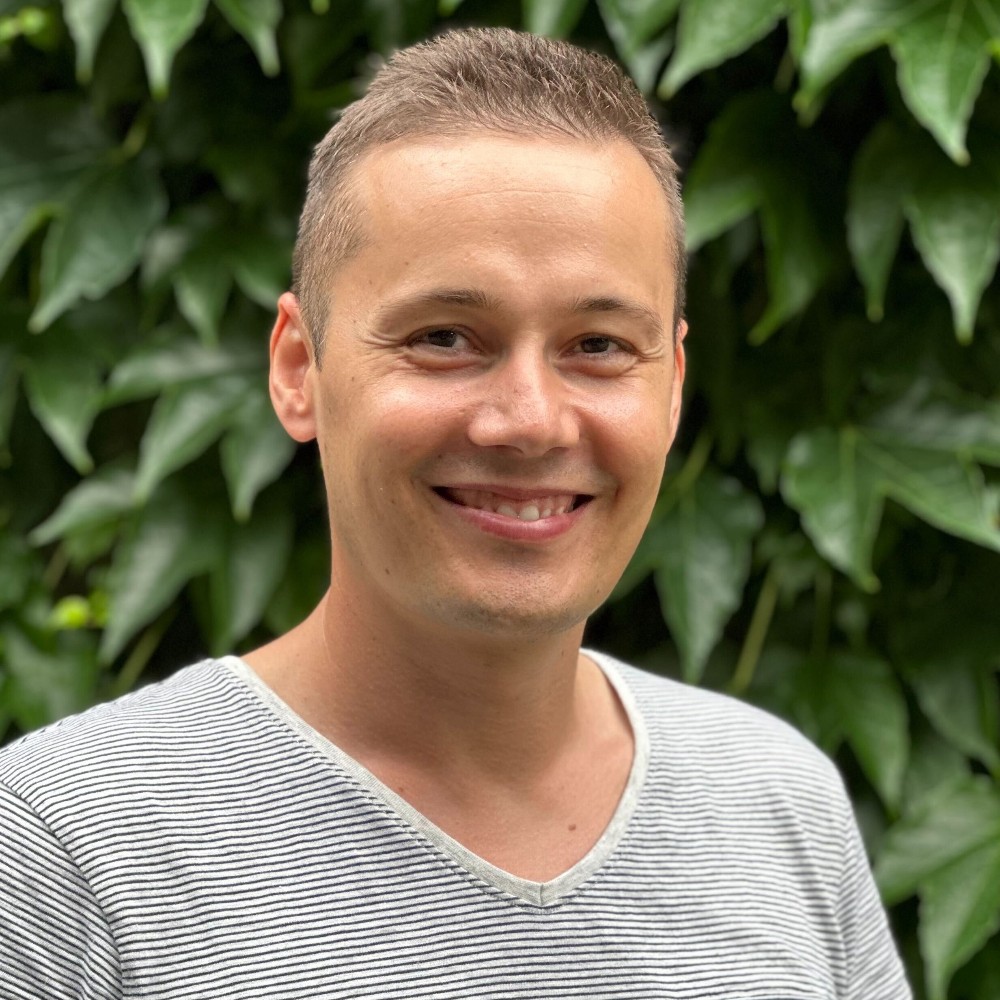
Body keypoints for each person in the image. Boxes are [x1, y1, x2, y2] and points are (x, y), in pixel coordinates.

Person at [0, 27, 910, 1000]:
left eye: (599, 345)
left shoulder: (778, 798)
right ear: (299, 369)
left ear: (674, 384)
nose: (529, 420)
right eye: (444, 337)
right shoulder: (63, 850)